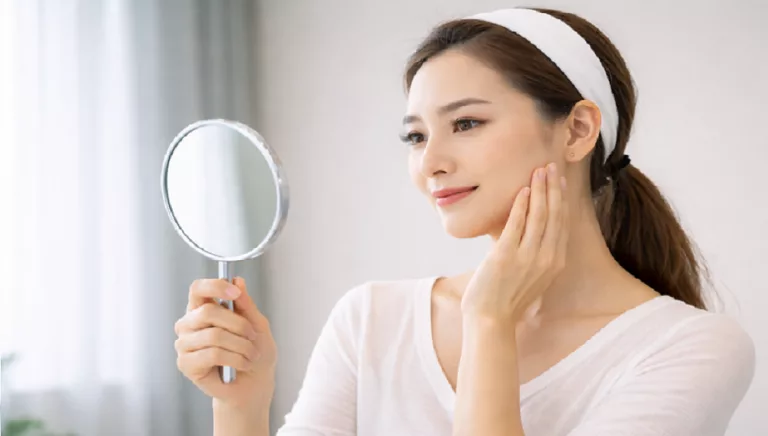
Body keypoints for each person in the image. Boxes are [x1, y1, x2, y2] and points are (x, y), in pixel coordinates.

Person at [172, 7, 755, 436]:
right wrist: (242, 406)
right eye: (415, 136)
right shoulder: (371, 320)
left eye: (467, 124)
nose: (431, 162)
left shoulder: (691, 348)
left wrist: (490, 323)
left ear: (578, 130)